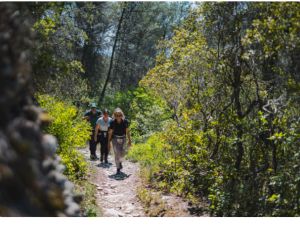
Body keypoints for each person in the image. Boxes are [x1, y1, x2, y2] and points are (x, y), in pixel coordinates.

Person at [108, 108, 131, 175]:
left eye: (119, 115)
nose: (118, 117)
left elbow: (127, 131)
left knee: (123, 153)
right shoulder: (112, 122)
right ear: (114, 116)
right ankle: (118, 168)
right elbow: (110, 132)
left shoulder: (125, 121)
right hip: (115, 139)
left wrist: (129, 140)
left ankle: (120, 162)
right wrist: (108, 141)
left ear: (122, 115)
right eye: (116, 115)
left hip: (123, 138)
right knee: (117, 153)